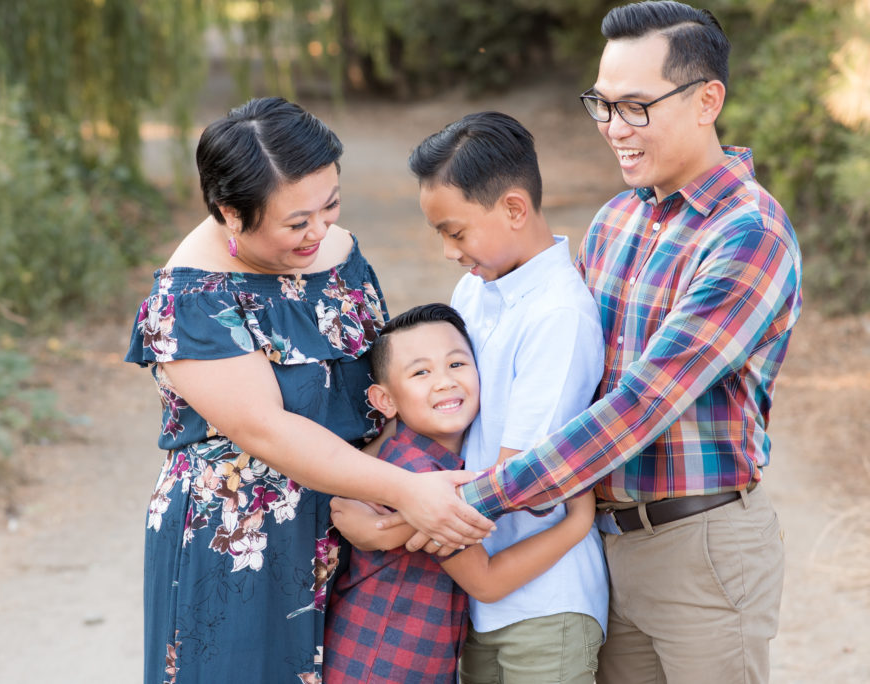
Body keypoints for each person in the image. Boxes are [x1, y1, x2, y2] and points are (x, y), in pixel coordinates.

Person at [406, 3, 801, 683]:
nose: (614, 128)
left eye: (637, 107)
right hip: (601, 545)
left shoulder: (747, 236)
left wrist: (474, 501)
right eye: (604, 104)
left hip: (698, 547)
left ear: (708, 100)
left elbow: (640, 406)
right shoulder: (618, 219)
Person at [124, 97, 492, 683]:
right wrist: (406, 490)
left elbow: (380, 382)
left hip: (356, 528)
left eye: (330, 205)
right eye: (297, 222)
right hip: (243, 547)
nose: (319, 231)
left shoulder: (336, 254)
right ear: (231, 213)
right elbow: (264, 429)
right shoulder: (192, 299)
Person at [409, 112, 609, 683]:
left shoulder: (559, 314)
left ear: (515, 209)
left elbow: (518, 477)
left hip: (546, 602)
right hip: (479, 595)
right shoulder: (474, 290)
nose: (449, 251)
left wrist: (394, 513)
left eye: (456, 231)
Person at [323, 304, 597, 684]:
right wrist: (578, 522)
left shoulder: (430, 459)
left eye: (456, 365)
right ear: (385, 400)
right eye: (421, 372)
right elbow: (487, 581)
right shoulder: (421, 474)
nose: (444, 382)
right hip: (382, 661)